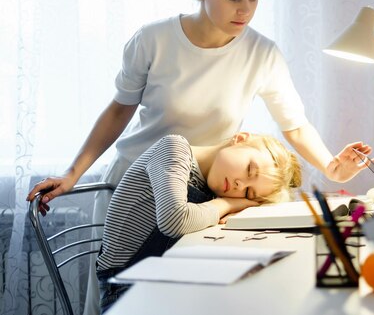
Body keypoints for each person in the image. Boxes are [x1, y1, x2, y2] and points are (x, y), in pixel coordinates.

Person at [27, 0, 374, 315]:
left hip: (203, 193)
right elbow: (117, 111)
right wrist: (73, 173)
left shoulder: (262, 53)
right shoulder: (153, 40)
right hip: (136, 190)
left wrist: (330, 166)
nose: (245, 10)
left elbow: (294, 124)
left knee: (193, 301)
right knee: (121, 304)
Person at [96, 132, 301, 312]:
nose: (240, 185)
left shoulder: (211, 188)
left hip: (162, 284)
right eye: (250, 170)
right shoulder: (174, 148)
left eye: (248, 192)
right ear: (239, 139)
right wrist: (227, 203)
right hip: (125, 291)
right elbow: (174, 219)